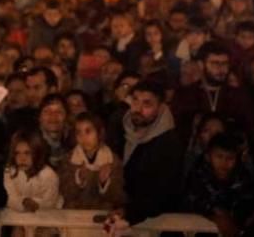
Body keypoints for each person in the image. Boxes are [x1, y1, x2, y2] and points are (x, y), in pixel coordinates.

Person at [122, 81, 183, 223]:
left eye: (147, 104)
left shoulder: (169, 144)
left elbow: (162, 192)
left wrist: (129, 212)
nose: (138, 109)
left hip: (156, 223)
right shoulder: (122, 129)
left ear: (160, 108)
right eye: (135, 101)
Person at [59, 112, 124, 211]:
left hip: (101, 213)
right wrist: (79, 179)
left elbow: (118, 197)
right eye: (78, 132)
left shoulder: (113, 160)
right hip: (74, 212)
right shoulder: (69, 159)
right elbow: (65, 193)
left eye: (88, 131)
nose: (83, 137)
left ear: (100, 133)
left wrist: (104, 182)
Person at [3, 130, 62, 213]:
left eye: (27, 153)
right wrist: (23, 202)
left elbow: (50, 202)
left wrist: (35, 203)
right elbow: (9, 197)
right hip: (18, 215)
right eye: (17, 153)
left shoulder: (49, 175)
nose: (22, 158)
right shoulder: (9, 172)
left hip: (47, 216)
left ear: (37, 153)